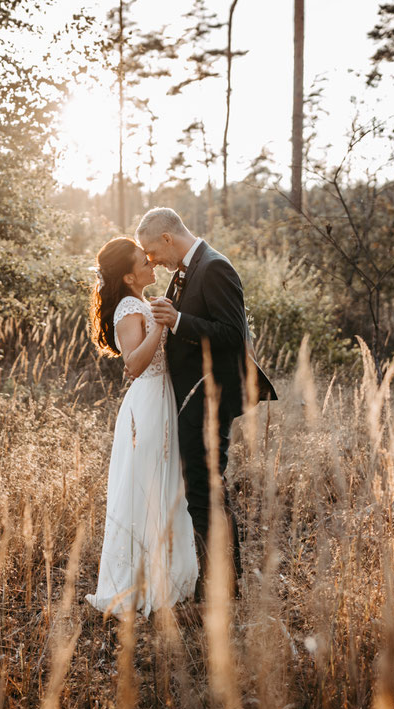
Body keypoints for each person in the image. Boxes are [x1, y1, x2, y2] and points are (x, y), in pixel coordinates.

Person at [135, 207, 277, 600]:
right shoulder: (184, 270)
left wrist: (179, 321)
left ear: (167, 238)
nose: (150, 260)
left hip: (210, 395)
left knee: (206, 487)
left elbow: (233, 334)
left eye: (151, 250)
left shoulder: (214, 267)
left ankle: (222, 583)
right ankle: (215, 577)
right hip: (189, 398)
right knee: (199, 486)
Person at [84, 237, 198, 618]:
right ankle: (140, 585)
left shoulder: (142, 302)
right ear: (131, 276)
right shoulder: (130, 308)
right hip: (147, 403)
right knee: (148, 489)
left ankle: (167, 580)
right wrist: (161, 328)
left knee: (165, 487)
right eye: (143, 261)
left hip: (162, 397)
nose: (151, 263)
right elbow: (132, 365)